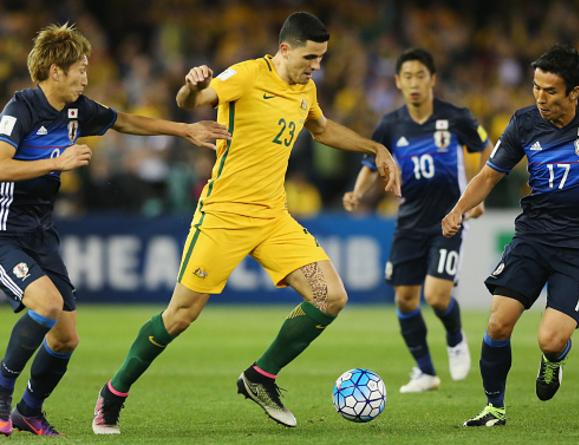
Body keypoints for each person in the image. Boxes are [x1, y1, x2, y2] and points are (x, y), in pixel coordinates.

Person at [92, 11, 399, 434]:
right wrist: (192, 85)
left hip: (273, 217)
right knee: (180, 315)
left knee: (330, 296)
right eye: (311, 57)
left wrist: (375, 147)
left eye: (322, 58)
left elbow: (323, 130)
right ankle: (113, 393)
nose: (317, 66)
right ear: (285, 49)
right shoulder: (247, 76)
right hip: (223, 214)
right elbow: (193, 101)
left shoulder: (305, 89)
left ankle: (260, 377)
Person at [0, 23, 230, 437]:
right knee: (47, 304)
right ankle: (0, 396)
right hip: (5, 233)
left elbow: (125, 121)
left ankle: (28, 410)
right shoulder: (21, 108)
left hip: (41, 232)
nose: (86, 77)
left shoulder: (76, 110)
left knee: (66, 338)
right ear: (55, 70)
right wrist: (57, 162)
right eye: (81, 69)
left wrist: (186, 129)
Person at [442, 44, 579, 427]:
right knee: (497, 323)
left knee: (551, 339)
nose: (540, 97)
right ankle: (494, 407)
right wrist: (458, 209)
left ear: (575, 92)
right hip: (534, 236)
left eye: (550, 91)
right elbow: (490, 175)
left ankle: (554, 360)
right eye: (536, 87)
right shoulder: (524, 123)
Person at [343, 48, 492, 393]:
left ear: (432, 79)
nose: (413, 83)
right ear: (397, 82)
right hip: (408, 222)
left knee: (437, 296)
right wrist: (357, 192)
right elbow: (372, 163)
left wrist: (479, 195)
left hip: (448, 219)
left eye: (420, 75)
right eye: (406, 76)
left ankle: (455, 340)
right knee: (405, 300)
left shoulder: (456, 117)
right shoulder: (391, 124)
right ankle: (425, 372)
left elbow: (488, 149)